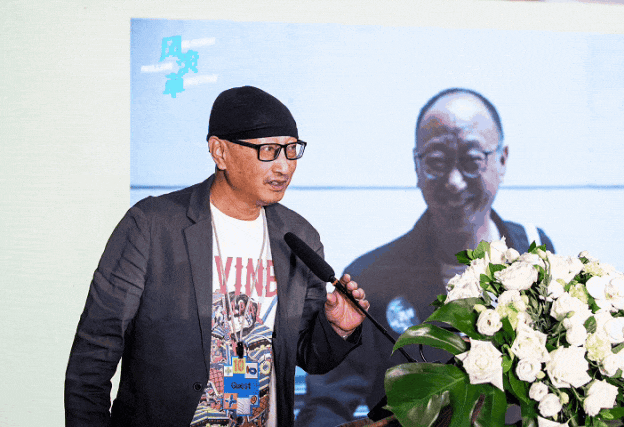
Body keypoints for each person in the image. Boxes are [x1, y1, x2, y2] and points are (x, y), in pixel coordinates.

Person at [64, 86, 370, 427]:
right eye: (269, 150)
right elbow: (94, 353)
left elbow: (308, 356)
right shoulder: (151, 226)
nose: (284, 166)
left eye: (291, 150)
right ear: (220, 152)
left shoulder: (299, 237)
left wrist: (337, 328)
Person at [295, 88, 555, 426]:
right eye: (436, 162)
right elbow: (326, 407)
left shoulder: (535, 251)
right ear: (417, 166)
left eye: (471, 159)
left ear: (502, 160)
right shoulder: (372, 278)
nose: (454, 181)